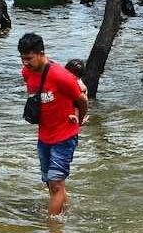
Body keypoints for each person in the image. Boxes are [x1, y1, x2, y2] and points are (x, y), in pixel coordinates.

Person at [18, 33, 89, 217]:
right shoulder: (27, 72)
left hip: (65, 136)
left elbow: (82, 99)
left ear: (41, 53)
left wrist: (78, 121)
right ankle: (66, 213)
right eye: (22, 58)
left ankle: (52, 226)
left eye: (29, 58)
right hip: (44, 136)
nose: (25, 63)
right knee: (52, 184)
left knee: (56, 183)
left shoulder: (61, 76)